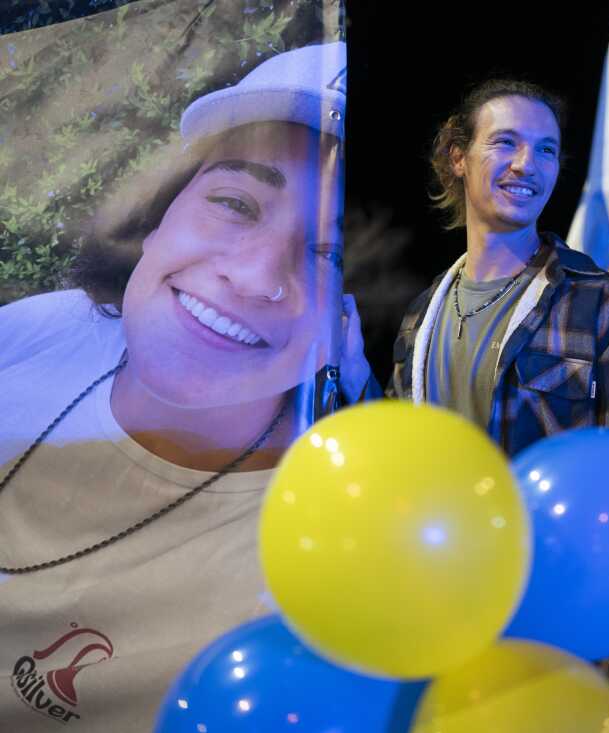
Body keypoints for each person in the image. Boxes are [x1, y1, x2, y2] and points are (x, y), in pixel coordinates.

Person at [0, 42, 367, 732]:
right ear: (161, 215)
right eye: (234, 201)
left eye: (329, 251)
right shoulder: (36, 333)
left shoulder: (319, 561)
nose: (257, 275)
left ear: (346, 318)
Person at [387, 79, 609, 455]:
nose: (526, 164)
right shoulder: (420, 317)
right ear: (457, 157)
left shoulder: (604, 308)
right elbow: (393, 455)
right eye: (505, 142)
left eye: (546, 149)